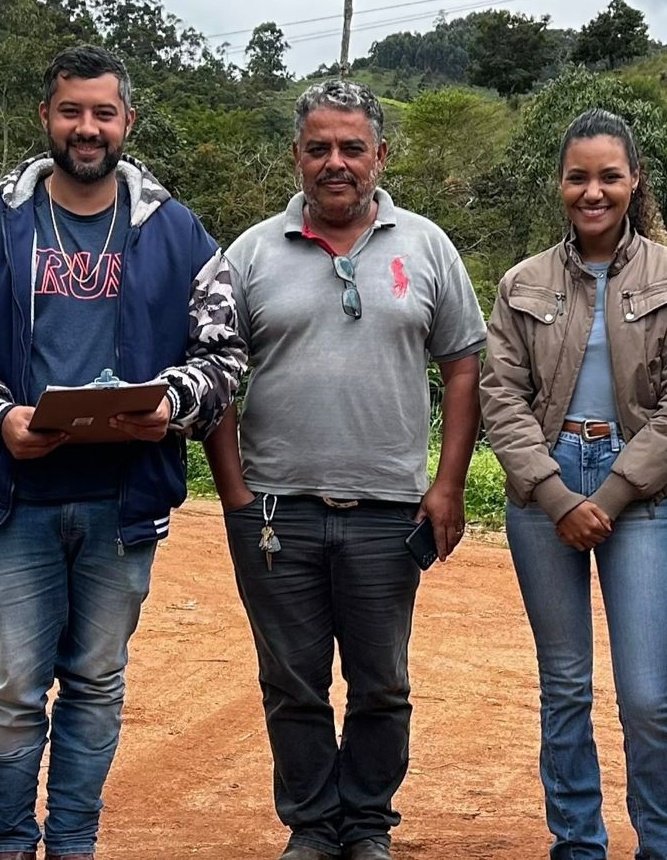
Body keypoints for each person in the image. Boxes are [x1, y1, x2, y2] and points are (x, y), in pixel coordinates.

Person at [0, 44, 246, 860]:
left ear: (127, 120)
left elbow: (227, 354)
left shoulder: (176, 232)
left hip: (122, 503)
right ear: (46, 119)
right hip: (12, 500)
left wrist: (170, 403)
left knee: (97, 684)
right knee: (11, 690)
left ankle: (72, 845)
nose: (88, 127)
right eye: (72, 111)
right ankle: (7, 845)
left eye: (104, 112)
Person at [204, 78, 485, 860]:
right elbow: (216, 373)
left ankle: (365, 823)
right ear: (295, 157)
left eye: (352, 148)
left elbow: (463, 364)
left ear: (380, 156)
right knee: (292, 682)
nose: (336, 162)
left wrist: (448, 484)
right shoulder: (251, 253)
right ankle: (311, 826)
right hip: (273, 510)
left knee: (381, 682)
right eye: (319, 148)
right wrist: (234, 492)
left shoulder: (426, 246)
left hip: (390, 509)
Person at [480, 107, 667, 860]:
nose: (593, 191)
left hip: (633, 496)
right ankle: (577, 844)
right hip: (543, 493)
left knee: (647, 698)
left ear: (634, 180)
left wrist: (605, 498)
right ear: (560, 183)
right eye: (578, 176)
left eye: (609, 176)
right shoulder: (523, 282)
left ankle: (664, 848)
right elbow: (499, 397)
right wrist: (555, 496)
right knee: (567, 687)